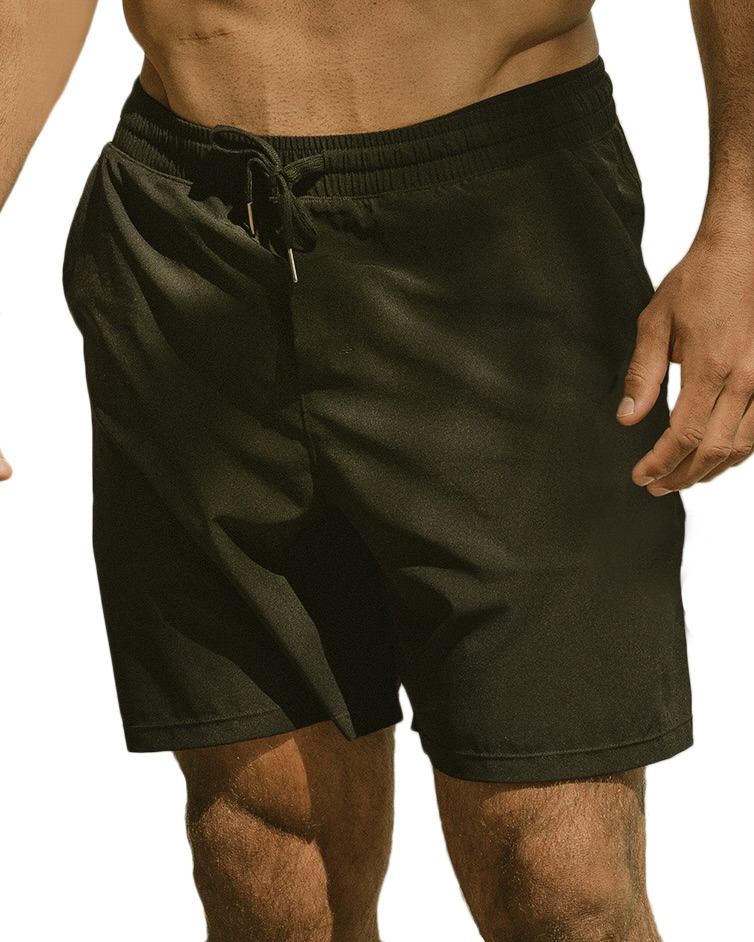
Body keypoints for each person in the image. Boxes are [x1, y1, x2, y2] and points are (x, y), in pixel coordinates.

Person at [1, 2, 752, 940]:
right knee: (265, 863)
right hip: (190, 239)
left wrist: (746, 222)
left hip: (502, 239)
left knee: (563, 882)